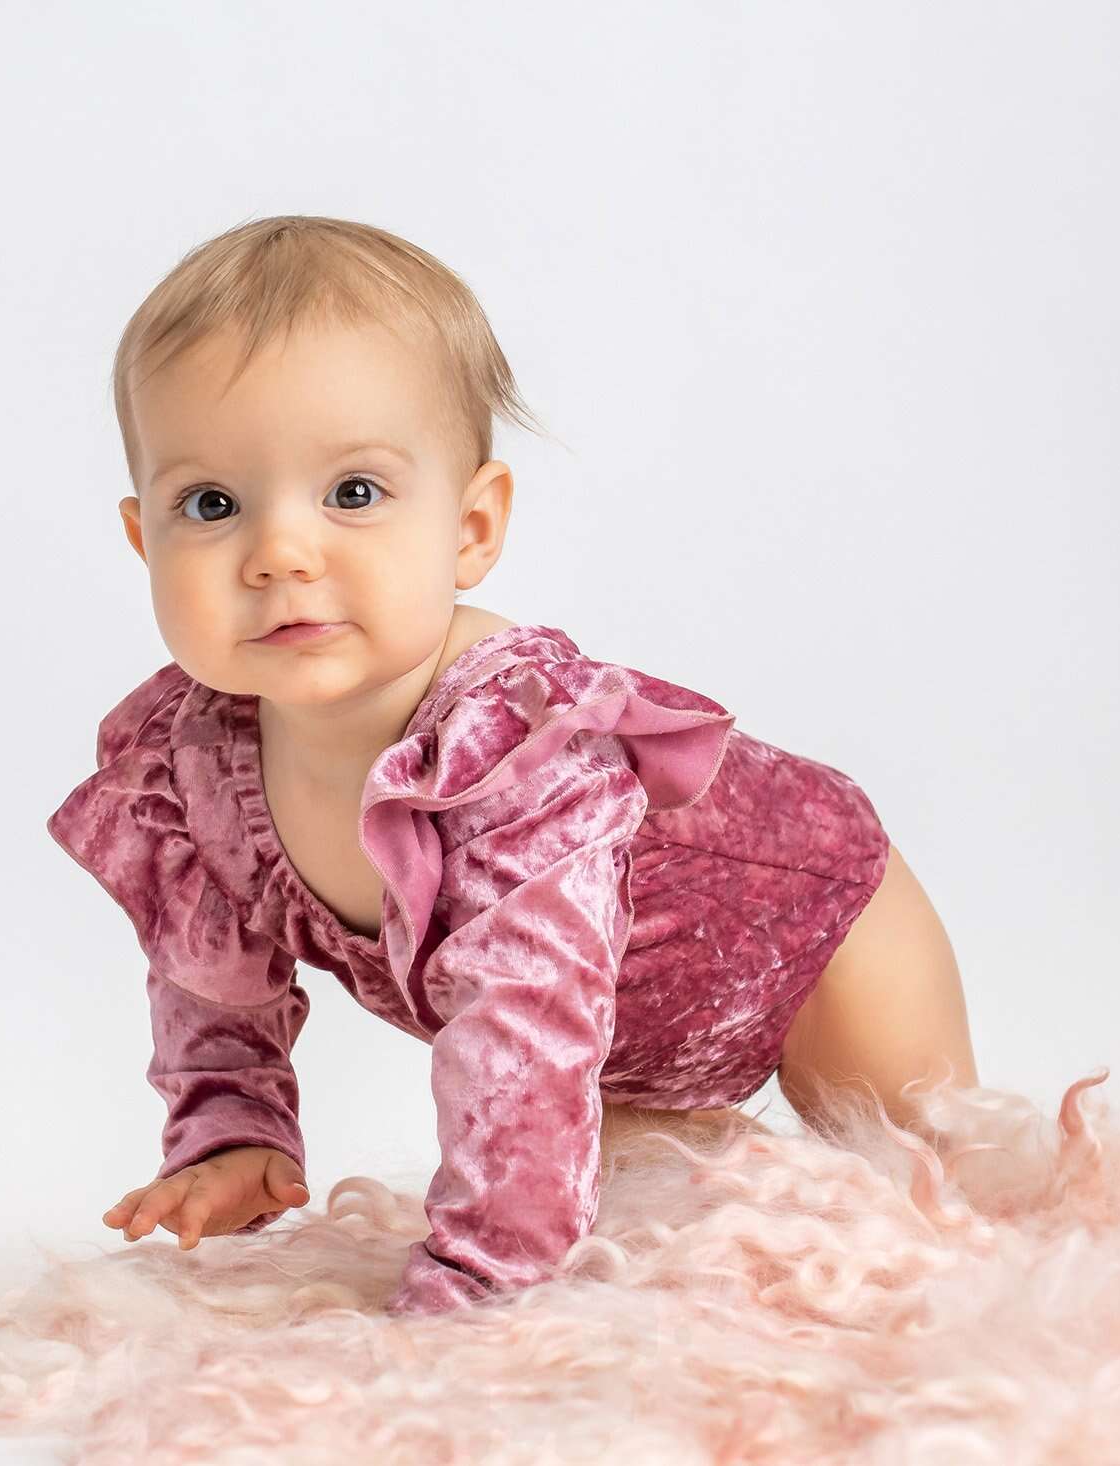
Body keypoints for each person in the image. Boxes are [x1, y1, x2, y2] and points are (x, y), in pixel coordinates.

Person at [50, 214, 980, 1317]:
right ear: (143, 539)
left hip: (817, 935)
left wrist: (475, 1280)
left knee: (934, 1212)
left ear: (471, 525)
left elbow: (523, 1023)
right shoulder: (190, 762)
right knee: (692, 1260)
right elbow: (208, 971)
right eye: (211, 504)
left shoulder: (515, 756)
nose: (278, 553)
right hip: (624, 1046)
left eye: (352, 492)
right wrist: (231, 1131)